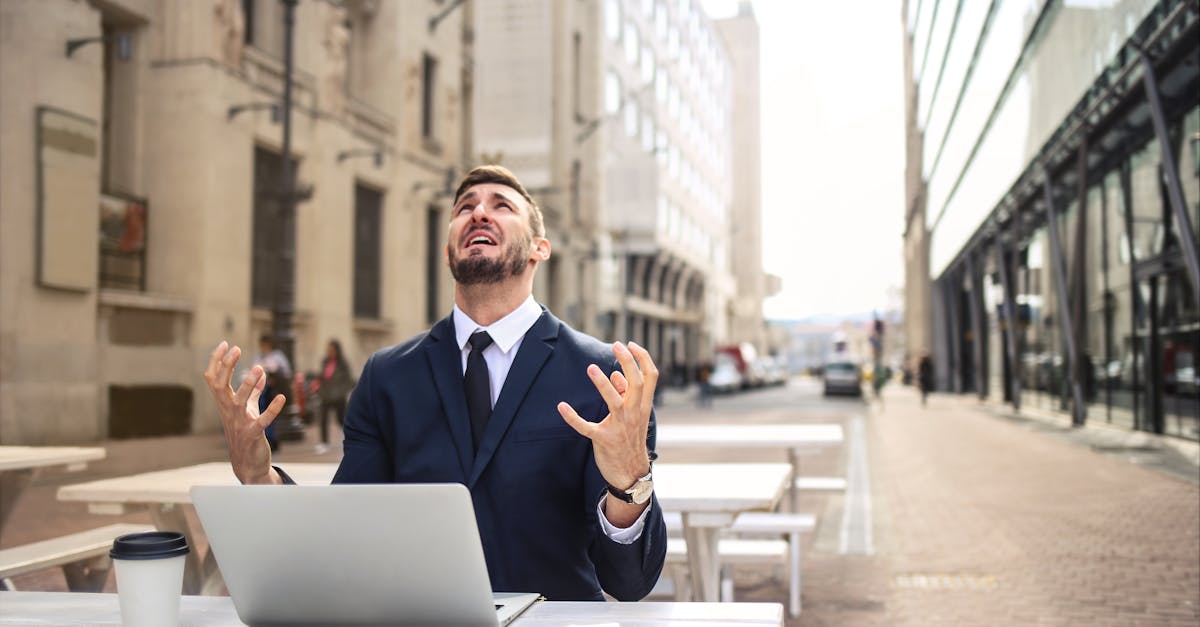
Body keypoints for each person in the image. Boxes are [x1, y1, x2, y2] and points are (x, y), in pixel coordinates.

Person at [203, 165, 667, 602]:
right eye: (465, 207)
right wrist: (258, 477)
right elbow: (342, 534)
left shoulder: (605, 377)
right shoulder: (387, 376)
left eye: (501, 205)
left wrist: (630, 481)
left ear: (539, 249)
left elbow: (628, 581)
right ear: (448, 252)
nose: (479, 212)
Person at [251, 334, 292, 452]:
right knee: (261, 413)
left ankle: (272, 439)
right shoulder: (258, 357)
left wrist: (275, 373)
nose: (264, 347)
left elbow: (286, 372)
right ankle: (264, 438)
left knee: (272, 415)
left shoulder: (278, 357)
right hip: (261, 391)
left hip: (273, 391)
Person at [314, 339, 354, 454]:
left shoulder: (343, 363)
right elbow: (321, 377)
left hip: (338, 397)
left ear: (337, 350)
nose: (329, 352)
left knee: (341, 420)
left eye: (332, 349)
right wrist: (320, 391)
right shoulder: (325, 361)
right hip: (325, 396)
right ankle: (324, 443)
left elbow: (348, 380)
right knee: (323, 419)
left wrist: (341, 392)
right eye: (328, 349)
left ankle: (350, 439)